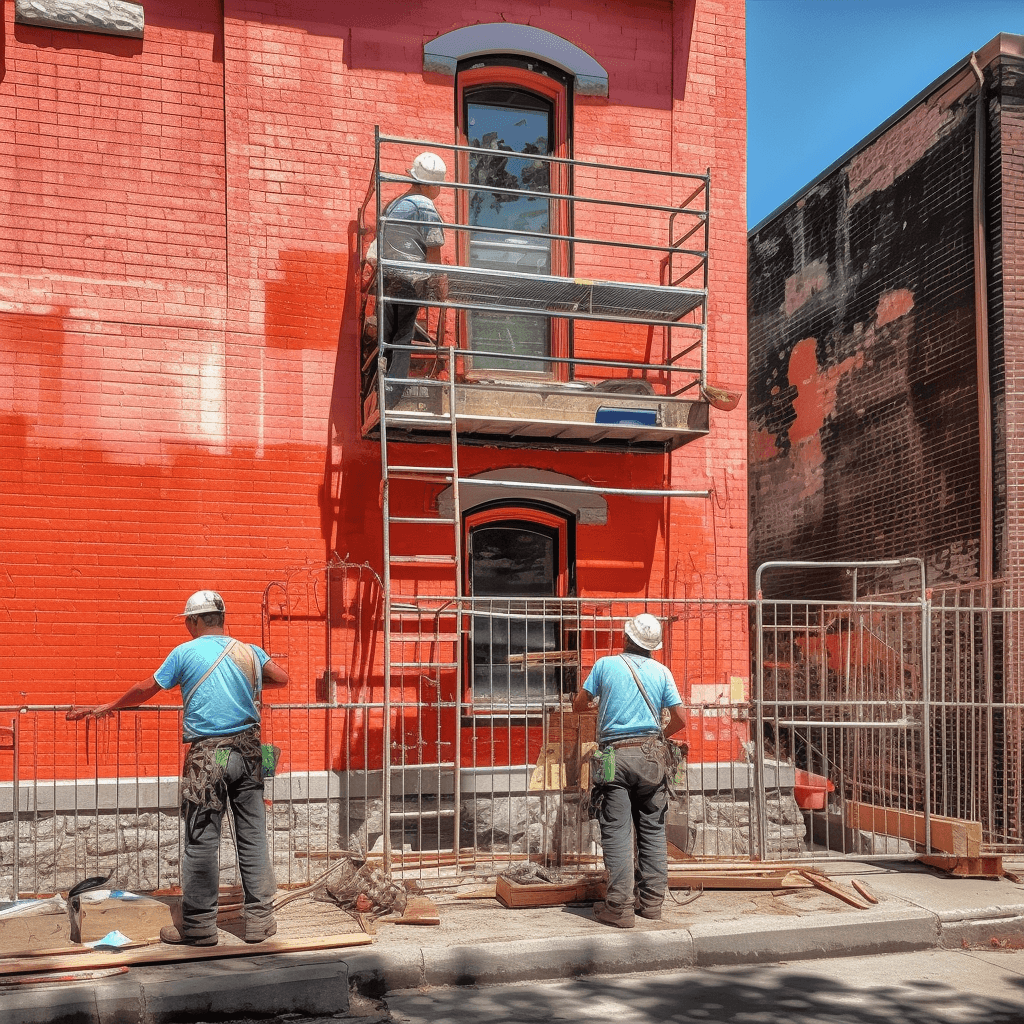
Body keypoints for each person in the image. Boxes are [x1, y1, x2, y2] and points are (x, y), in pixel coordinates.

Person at [67, 590, 289, 947]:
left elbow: (146, 688)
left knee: (201, 841)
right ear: (222, 618)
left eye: (188, 621)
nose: (187, 627)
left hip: (211, 757)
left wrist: (109, 705)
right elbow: (281, 676)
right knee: (253, 838)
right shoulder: (248, 650)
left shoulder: (184, 653)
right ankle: (260, 922)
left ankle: (200, 927)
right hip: (249, 753)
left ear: (197, 620)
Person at [573, 613, 687, 928]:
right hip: (652, 757)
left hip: (615, 758)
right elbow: (680, 718)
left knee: (618, 832)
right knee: (652, 831)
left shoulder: (605, 666)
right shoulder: (662, 672)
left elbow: (579, 704)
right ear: (653, 647)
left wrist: (601, 703)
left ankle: (619, 908)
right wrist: (661, 737)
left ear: (626, 637)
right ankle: (651, 904)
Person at [378, 151, 448, 401]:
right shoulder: (425, 206)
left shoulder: (394, 204)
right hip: (411, 279)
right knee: (403, 335)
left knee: (387, 334)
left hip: (387, 279)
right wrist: (438, 282)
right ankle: (394, 391)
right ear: (429, 183)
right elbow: (433, 249)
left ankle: (382, 386)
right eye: (438, 184)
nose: (438, 189)